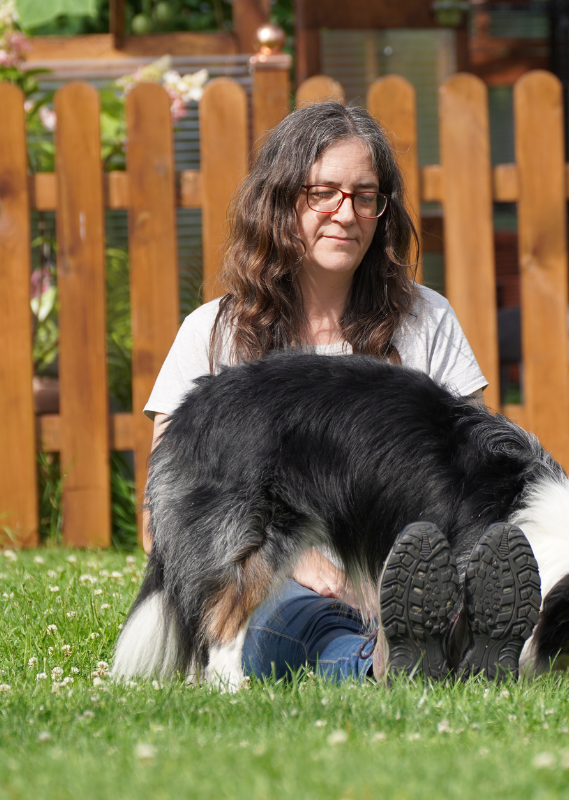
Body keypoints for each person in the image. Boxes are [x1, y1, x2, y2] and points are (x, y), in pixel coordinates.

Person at [141, 101, 519, 682]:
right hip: (271, 590)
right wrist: (304, 566)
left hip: (402, 581)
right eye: (323, 193)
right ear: (281, 200)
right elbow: (160, 519)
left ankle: (438, 642)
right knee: (301, 620)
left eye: (365, 196)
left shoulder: (427, 322)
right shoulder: (212, 332)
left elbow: (470, 480)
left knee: (420, 606)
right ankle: (383, 665)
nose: (347, 213)